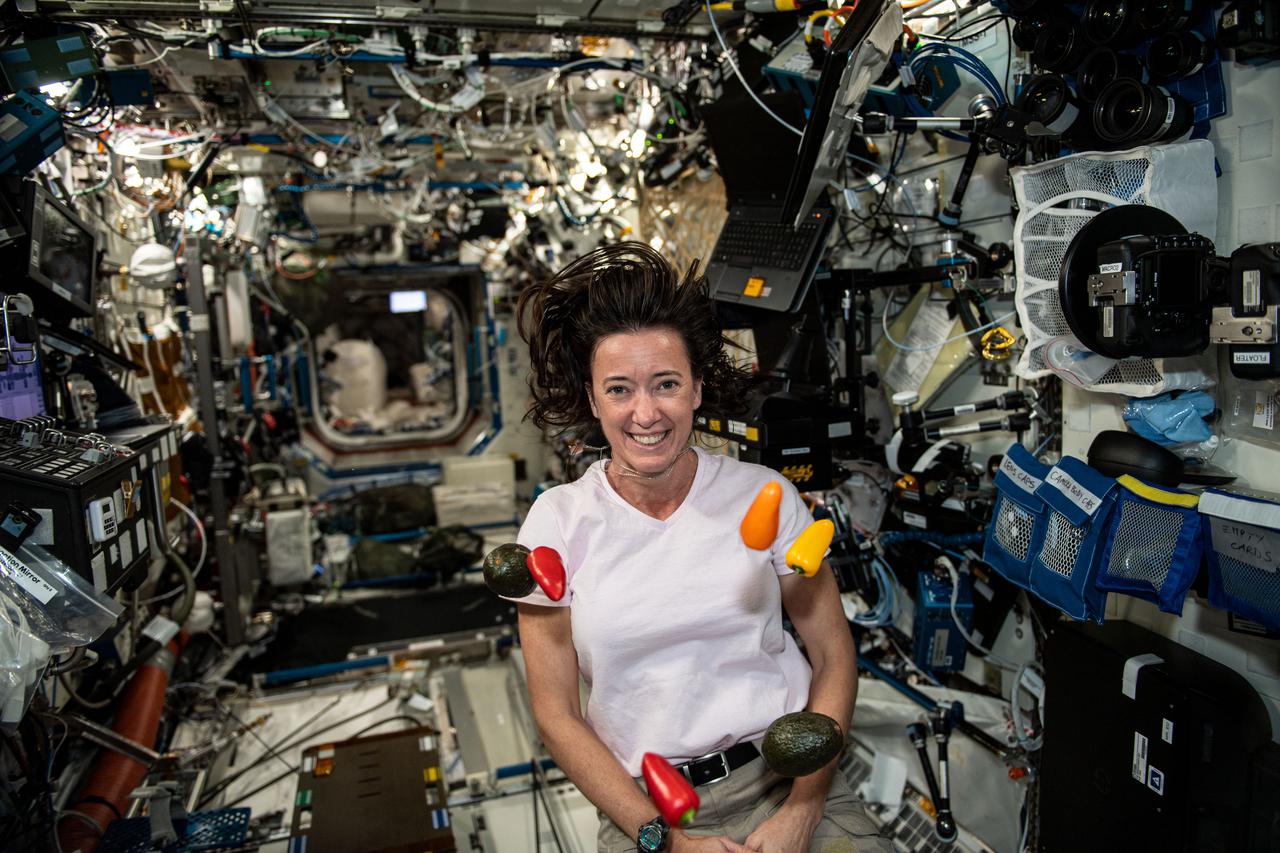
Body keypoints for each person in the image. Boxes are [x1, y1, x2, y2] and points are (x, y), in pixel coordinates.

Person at [511, 242, 891, 853]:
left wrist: (804, 806)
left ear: (695, 389)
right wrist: (667, 841)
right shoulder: (558, 522)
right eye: (619, 390)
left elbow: (832, 655)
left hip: (789, 774)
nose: (645, 414)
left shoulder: (762, 495)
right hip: (647, 807)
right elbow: (557, 716)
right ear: (592, 400)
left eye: (666, 384)